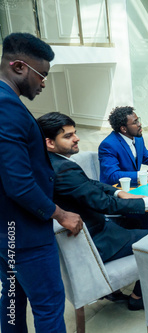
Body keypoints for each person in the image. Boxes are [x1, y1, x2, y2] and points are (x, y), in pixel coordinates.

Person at [38, 112, 148, 310]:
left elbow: (90, 184)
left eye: (75, 133)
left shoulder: (48, 162)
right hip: (94, 239)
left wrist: (119, 193)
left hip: (90, 224)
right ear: (49, 142)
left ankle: (115, 290)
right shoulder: (64, 170)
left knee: (140, 219)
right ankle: (137, 297)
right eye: (68, 136)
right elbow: (104, 204)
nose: (77, 138)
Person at [0, 32, 83, 332]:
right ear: (19, 67)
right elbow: (19, 184)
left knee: (11, 299)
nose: (44, 82)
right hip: (25, 234)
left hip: (7, 231)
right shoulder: (7, 107)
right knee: (48, 305)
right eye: (42, 75)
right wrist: (61, 214)